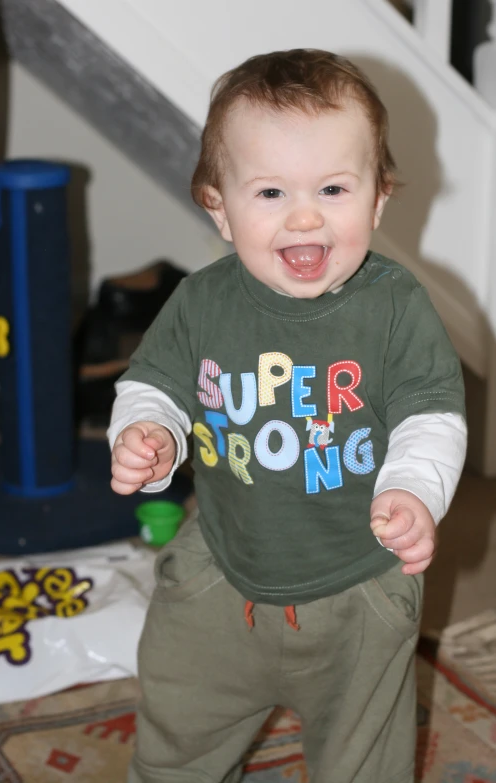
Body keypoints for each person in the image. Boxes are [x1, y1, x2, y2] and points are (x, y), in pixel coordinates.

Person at [108, 49, 467, 783]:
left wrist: (414, 491)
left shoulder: (396, 308)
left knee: (364, 753)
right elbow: (156, 382)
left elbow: (432, 413)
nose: (305, 215)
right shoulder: (202, 302)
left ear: (378, 198)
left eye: (334, 188)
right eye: (270, 192)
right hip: (222, 571)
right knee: (178, 722)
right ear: (218, 203)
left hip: (358, 583)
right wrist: (148, 431)